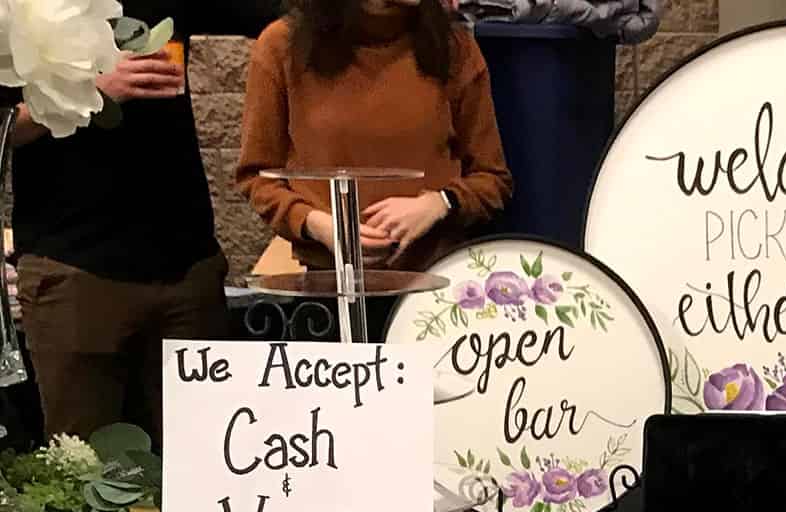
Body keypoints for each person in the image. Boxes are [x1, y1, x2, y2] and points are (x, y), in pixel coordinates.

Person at [12, 0, 282, 439]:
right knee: (85, 469)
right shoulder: (17, 10)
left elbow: (288, 15)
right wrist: (90, 92)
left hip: (188, 267)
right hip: (73, 272)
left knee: (207, 454)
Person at [236, 0, 513, 273]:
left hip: (435, 286)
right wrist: (319, 226)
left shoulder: (455, 47)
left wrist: (440, 202)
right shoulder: (282, 45)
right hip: (330, 285)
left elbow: (492, 179)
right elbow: (258, 178)